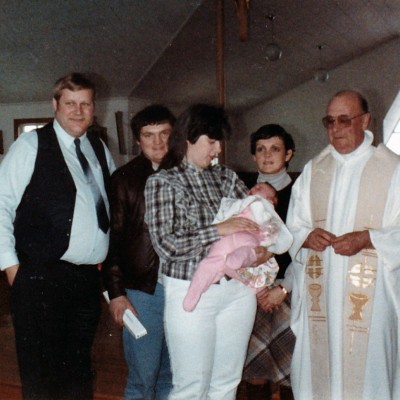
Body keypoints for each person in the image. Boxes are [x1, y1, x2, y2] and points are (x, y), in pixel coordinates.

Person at [144, 104, 272, 399]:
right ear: (189, 137)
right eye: (211, 141)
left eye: (219, 141)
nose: (218, 149)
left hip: (237, 290)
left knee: (227, 381)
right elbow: (167, 245)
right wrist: (218, 229)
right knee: (191, 386)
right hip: (192, 290)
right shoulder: (163, 182)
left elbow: (258, 221)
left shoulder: (226, 178)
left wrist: (264, 250)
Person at [0, 73, 115, 400]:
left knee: (78, 373)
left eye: (85, 104)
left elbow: (106, 207)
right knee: (42, 378)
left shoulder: (98, 148)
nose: (78, 111)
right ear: (55, 105)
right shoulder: (31, 144)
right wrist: (12, 268)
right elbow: (1, 205)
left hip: (85, 281)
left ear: (94, 107)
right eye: (70, 104)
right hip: (40, 277)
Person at [287, 90, 400, 400]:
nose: (335, 128)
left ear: (365, 121)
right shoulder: (314, 170)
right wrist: (307, 236)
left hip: (373, 301)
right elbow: (293, 226)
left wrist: (368, 238)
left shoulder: (393, 170)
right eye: (329, 121)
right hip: (319, 297)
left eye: (344, 120)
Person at [103, 104, 175, 399]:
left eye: (164, 134)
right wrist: (117, 293)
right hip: (142, 289)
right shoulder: (123, 179)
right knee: (143, 376)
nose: (157, 143)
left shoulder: (189, 173)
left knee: (173, 374)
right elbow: (113, 241)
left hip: (183, 288)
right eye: (149, 135)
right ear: (138, 140)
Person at [242, 124, 296, 400]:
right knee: (255, 370)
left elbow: (304, 250)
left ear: (288, 154)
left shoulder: (299, 193)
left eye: (275, 149)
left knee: (292, 372)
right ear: (253, 155)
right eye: (260, 149)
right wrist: (256, 287)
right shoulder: (244, 194)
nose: (267, 155)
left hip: (290, 291)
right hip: (254, 291)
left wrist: (284, 288)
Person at [183, 182, 293, 312]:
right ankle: (194, 293)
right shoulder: (239, 200)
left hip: (249, 238)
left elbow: (274, 233)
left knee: (247, 252)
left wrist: (269, 247)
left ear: (271, 200)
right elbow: (224, 214)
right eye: (254, 186)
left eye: (260, 188)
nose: (254, 188)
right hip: (226, 238)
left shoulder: (267, 209)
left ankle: (233, 263)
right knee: (211, 261)